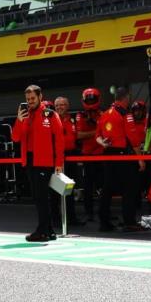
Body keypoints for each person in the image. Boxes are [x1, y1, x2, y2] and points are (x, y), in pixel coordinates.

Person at [13, 85, 64, 242]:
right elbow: (15, 137)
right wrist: (19, 120)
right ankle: (49, 231)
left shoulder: (50, 114)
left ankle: (42, 231)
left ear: (40, 97)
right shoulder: (24, 115)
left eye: (33, 98)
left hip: (44, 161)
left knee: (41, 197)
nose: (30, 101)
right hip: (29, 161)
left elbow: (59, 140)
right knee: (38, 197)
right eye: (28, 99)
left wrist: (59, 163)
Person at [96, 86, 144, 232]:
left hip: (108, 153)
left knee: (107, 189)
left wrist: (103, 143)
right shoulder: (125, 114)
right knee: (130, 188)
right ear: (127, 98)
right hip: (123, 155)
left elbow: (97, 136)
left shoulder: (104, 114)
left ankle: (104, 222)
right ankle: (129, 222)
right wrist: (140, 159)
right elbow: (133, 139)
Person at [75, 88, 103, 222]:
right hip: (88, 156)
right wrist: (97, 131)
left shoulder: (103, 114)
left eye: (93, 100)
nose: (91, 102)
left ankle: (104, 212)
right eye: (89, 100)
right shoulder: (80, 115)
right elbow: (79, 135)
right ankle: (89, 212)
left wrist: (93, 132)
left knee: (103, 186)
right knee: (88, 186)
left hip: (102, 155)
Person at [54, 96, 81, 226]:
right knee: (55, 190)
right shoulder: (52, 119)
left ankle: (72, 218)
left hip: (71, 156)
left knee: (69, 188)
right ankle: (55, 219)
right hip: (57, 158)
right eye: (57, 105)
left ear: (68, 106)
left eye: (62, 105)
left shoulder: (72, 120)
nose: (59, 107)